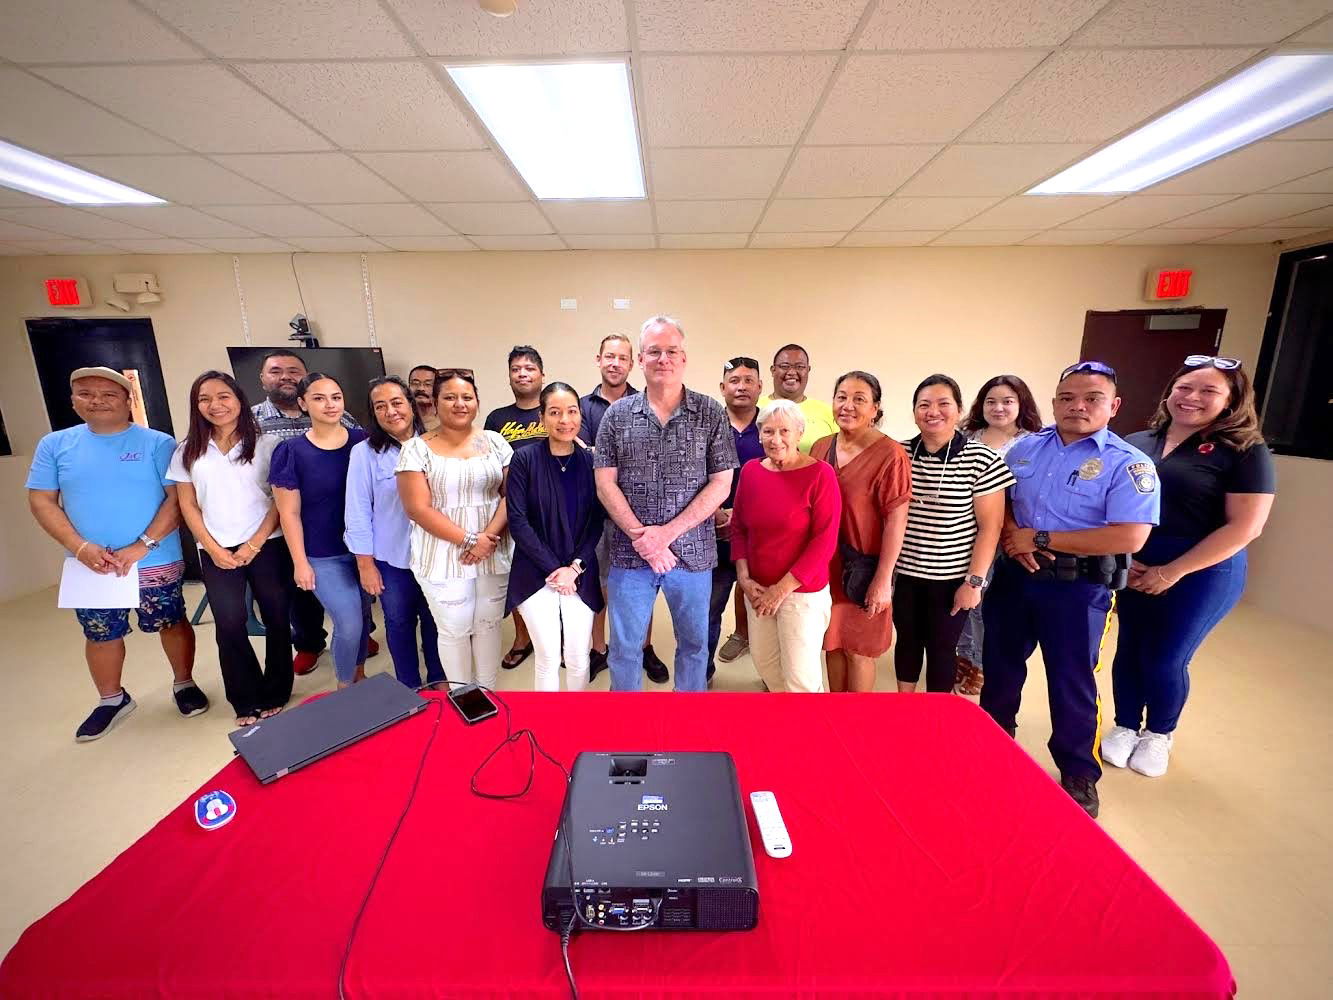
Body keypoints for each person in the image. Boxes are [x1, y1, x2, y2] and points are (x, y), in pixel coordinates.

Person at [980, 361, 1159, 819]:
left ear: (1113, 405)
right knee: (999, 670)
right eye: (1067, 397)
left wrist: (1039, 539)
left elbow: (1130, 536)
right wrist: (1014, 537)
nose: (1077, 406)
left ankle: (1079, 771)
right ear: (1054, 400)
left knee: (1072, 681)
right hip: (1016, 578)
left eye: (1092, 398)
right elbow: (1000, 503)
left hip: (1079, 589)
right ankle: (990, 745)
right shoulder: (1024, 449)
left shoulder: (1129, 464)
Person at [1103, 357, 1275, 778]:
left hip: (1202, 572)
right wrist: (1126, 556)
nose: (1191, 398)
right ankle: (1126, 725)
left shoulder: (1244, 450)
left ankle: (1159, 733)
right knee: (1129, 650)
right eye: (1184, 387)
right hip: (1136, 563)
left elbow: (1246, 526)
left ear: (1232, 401)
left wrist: (1173, 571)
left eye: (1208, 391)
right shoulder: (1138, 440)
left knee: (1166, 657)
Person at [26, 367, 207, 741]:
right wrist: (80, 547)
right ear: (73, 400)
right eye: (86, 394)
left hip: (154, 558)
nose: (96, 401)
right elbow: (42, 501)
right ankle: (112, 699)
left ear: (129, 400)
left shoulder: (158, 443)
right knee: (100, 633)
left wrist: (142, 546)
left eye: (108, 394)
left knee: (171, 622)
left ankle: (184, 683)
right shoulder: (55, 445)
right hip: (90, 564)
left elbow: (177, 501)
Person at [594, 315, 738, 692]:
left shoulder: (710, 413)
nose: (663, 359)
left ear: (684, 357)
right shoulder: (617, 415)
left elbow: (722, 482)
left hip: (692, 555)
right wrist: (643, 537)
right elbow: (604, 482)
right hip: (629, 553)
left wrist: (666, 535)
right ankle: (627, 723)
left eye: (671, 351)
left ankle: (687, 719)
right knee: (624, 649)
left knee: (693, 645)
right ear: (640, 360)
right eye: (654, 352)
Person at [170, 371, 291, 726]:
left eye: (223, 396)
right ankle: (244, 696)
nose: (215, 405)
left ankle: (277, 689)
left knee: (276, 616)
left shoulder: (267, 444)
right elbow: (188, 505)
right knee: (230, 622)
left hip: (267, 543)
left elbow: (279, 501)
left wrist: (254, 543)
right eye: (204, 399)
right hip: (215, 548)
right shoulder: (187, 449)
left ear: (239, 399)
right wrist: (211, 546)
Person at [893, 375, 1013, 694]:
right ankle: (904, 707)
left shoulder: (981, 458)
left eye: (943, 403)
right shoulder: (899, 454)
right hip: (904, 574)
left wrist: (973, 583)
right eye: (924, 404)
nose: (933, 411)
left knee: (942, 650)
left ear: (958, 410)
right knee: (906, 642)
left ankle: (936, 718)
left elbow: (991, 528)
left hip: (952, 578)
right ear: (914, 411)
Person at [398, 369, 513, 687]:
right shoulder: (416, 449)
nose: (459, 403)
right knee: (454, 628)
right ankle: (463, 695)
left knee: (489, 625)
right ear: (435, 403)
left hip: (494, 548)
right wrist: (471, 540)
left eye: (467, 397)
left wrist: (488, 538)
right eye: (449, 397)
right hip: (444, 555)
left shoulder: (495, 442)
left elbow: (512, 495)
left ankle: (488, 690)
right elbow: (417, 508)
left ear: (477, 402)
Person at [252, 348, 363, 674]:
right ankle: (346, 690)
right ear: (303, 404)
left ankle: (359, 676)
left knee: (362, 619)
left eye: (336, 397)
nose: (330, 405)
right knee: (350, 622)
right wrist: (300, 563)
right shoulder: (291, 451)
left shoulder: (362, 441)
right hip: (322, 554)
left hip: (363, 550)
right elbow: (289, 513)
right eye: (319, 398)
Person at [811, 372, 912, 693]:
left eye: (859, 399)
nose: (848, 406)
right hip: (825, 569)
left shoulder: (890, 454)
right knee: (832, 643)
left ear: (875, 409)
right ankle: (834, 720)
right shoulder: (821, 447)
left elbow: (897, 521)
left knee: (858, 650)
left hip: (864, 570)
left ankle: (856, 727)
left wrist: (883, 581)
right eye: (841, 397)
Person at [732, 399, 841, 692]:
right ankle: (786, 723)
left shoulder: (820, 474)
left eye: (784, 431)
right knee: (766, 663)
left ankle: (808, 733)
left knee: (801, 679)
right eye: (768, 431)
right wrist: (743, 578)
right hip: (757, 589)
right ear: (759, 434)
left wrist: (780, 591)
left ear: (799, 434)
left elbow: (825, 541)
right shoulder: (752, 471)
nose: (776, 439)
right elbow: (739, 527)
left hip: (801, 593)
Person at [578, 333, 668, 685]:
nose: (615, 363)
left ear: (633, 364)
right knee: (599, 585)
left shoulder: (646, 403)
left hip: (639, 515)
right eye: (609, 357)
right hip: (595, 514)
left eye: (622, 358)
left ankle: (643, 647)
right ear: (598, 360)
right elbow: (586, 456)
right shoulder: (583, 407)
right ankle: (599, 648)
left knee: (640, 585)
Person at [346, 376, 446, 691]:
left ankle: (440, 681)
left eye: (396, 402)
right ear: (373, 413)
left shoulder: (436, 443)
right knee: (399, 623)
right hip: (392, 558)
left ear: (411, 405)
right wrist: (366, 565)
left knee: (437, 622)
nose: (391, 411)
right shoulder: (364, 453)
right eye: (381, 406)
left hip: (436, 555)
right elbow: (357, 510)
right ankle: (409, 687)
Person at [506, 382, 606, 691]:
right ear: (541, 418)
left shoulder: (591, 462)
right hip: (535, 572)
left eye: (572, 411)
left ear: (580, 417)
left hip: (580, 572)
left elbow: (596, 522)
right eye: (555, 412)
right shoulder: (524, 459)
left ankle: (575, 725)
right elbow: (518, 520)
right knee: (548, 657)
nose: (565, 420)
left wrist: (574, 568)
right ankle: (547, 728)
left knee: (578, 656)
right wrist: (555, 569)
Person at [954, 375, 1044, 695]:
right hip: (962, 532)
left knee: (986, 601)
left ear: (1021, 405)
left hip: (1007, 536)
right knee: (964, 598)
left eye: (1007, 401)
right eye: (991, 401)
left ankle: (978, 662)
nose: (999, 408)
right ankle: (964, 658)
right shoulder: (966, 436)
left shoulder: (1033, 443)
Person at [485, 345, 545, 670]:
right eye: (516, 369)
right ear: (509, 376)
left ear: (541, 375)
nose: (522, 373)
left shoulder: (552, 409)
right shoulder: (497, 418)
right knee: (518, 579)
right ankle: (522, 637)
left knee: (557, 576)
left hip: (554, 514)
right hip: (513, 512)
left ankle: (554, 639)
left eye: (529, 368)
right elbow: (488, 466)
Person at [708, 357, 765, 684]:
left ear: (759, 387)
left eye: (748, 380)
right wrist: (717, 512)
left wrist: (742, 516)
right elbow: (695, 475)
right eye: (734, 380)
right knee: (708, 612)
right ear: (723, 388)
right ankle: (702, 674)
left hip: (760, 538)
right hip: (713, 535)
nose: (741, 386)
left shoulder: (771, 424)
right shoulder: (708, 427)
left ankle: (772, 676)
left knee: (765, 613)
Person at [760, 344, 839, 454]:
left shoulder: (828, 412)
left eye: (800, 367)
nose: (792, 372)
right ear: (773, 370)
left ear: (808, 370)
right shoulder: (756, 409)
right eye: (785, 366)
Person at [408, 365, 441, 431]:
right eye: (415, 383)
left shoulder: (447, 420)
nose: (421, 388)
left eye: (428, 384)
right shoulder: (401, 419)